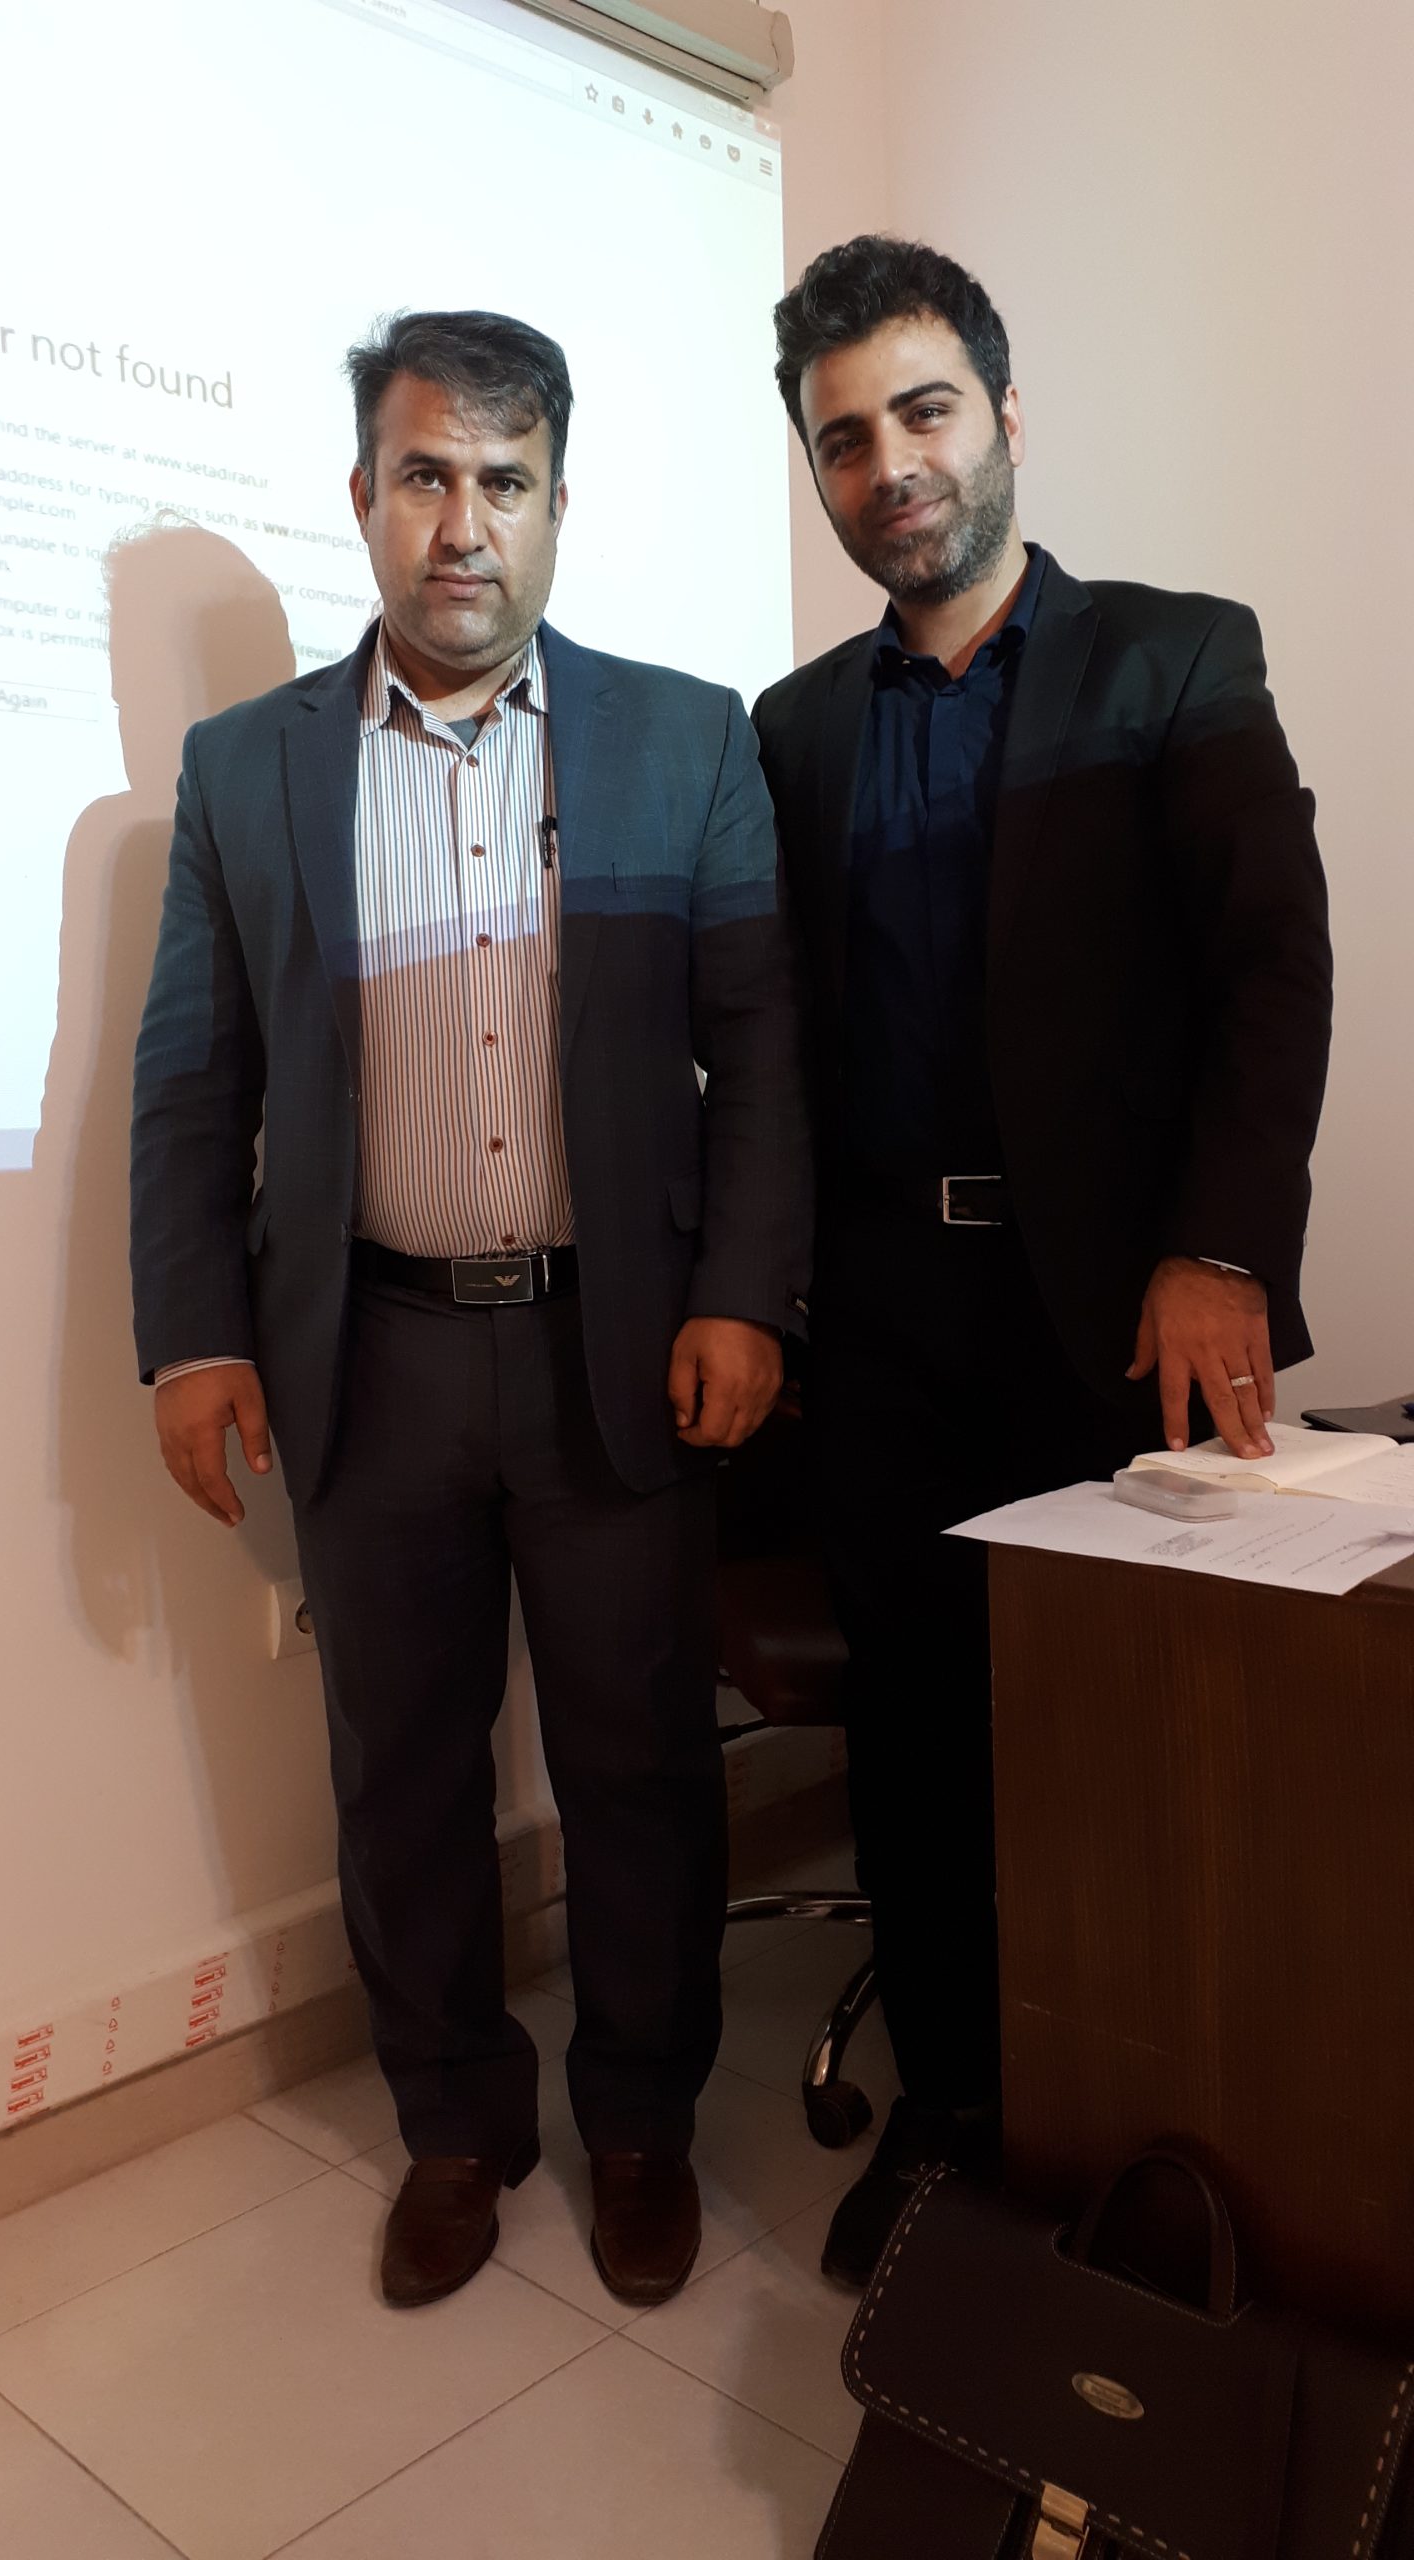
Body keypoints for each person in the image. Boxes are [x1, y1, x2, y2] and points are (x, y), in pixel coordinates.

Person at [131, 309, 811, 2311]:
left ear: (558, 506)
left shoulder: (687, 738)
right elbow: (193, 1078)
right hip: (372, 1351)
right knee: (401, 1769)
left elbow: (762, 1049)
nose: (463, 524)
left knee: (638, 1765)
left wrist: (745, 1295)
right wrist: (195, 1335)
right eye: (426, 475)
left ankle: (639, 2119)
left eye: (505, 482)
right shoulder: (247, 768)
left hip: (621, 1344)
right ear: (364, 494)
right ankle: (455, 2120)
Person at [753, 237, 1332, 2288]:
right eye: (844, 439)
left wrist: (1218, 1245)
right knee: (918, 1742)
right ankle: (956, 2121)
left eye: (922, 411)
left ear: (1004, 413)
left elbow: (1271, 966)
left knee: (1144, 1742)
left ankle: (1158, 2135)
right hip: (886, 1323)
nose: (890, 464)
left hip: (1123, 1314)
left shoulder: (1175, 657)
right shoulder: (795, 727)